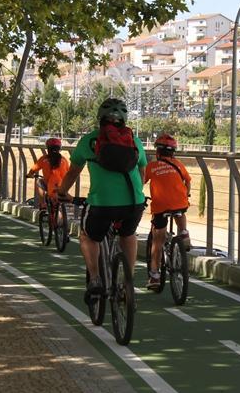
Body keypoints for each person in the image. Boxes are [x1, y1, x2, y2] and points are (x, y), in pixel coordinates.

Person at [57, 98, 147, 300]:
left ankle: (96, 279)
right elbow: (142, 173)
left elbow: (72, 174)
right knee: (128, 234)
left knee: (88, 236)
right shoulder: (135, 142)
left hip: (102, 205)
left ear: (99, 119)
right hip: (134, 203)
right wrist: (138, 193)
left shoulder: (88, 141)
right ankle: (128, 282)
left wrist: (61, 192)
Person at [144, 134, 191, 289]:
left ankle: (155, 276)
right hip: (180, 202)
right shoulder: (179, 164)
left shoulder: (151, 166)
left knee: (158, 242)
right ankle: (183, 232)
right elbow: (188, 181)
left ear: (157, 152)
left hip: (160, 207)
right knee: (180, 210)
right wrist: (186, 193)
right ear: (173, 152)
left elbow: (140, 182)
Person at [26, 137, 69, 210]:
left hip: (48, 184)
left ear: (48, 148)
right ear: (59, 148)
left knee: (39, 181)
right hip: (63, 185)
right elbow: (68, 171)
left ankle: (43, 203)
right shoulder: (64, 160)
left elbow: (33, 169)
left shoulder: (44, 159)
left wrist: (29, 175)